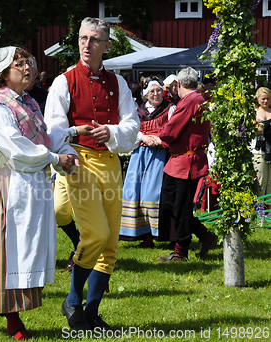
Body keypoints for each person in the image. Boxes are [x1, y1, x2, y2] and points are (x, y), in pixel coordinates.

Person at [0, 46, 79, 341]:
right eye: (19, 64)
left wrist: (72, 137)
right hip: (8, 181)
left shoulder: (28, 101)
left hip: (31, 180)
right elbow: (17, 147)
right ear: (3, 73)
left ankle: (15, 309)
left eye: (28, 62)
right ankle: (11, 318)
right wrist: (54, 160)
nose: (27, 67)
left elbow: (43, 136)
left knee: (28, 244)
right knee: (7, 245)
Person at [44, 17, 139, 331]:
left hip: (110, 161)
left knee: (110, 242)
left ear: (106, 45)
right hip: (78, 161)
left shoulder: (118, 83)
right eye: (84, 38)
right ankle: (72, 300)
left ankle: (93, 312)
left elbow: (132, 127)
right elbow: (53, 131)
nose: (87, 45)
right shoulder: (64, 81)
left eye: (95, 39)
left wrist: (110, 132)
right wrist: (69, 151)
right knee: (95, 235)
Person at [157, 67, 217, 262]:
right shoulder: (196, 100)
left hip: (186, 162)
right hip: (179, 161)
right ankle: (205, 235)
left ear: (179, 84)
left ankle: (181, 251)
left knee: (180, 208)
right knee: (169, 205)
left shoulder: (190, 101)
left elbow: (168, 132)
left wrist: (161, 131)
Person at [119, 76, 176, 247]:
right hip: (140, 155)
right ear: (145, 94)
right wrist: (143, 136)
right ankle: (145, 237)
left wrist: (159, 139)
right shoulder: (138, 111)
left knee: (153, 195)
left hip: (160, 155)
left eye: (158, 90)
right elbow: (130, 131)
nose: (156, 93)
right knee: (133, 193)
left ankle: (164, 234)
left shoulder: (170, 109)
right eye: (152, 91)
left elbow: (173, 129)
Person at [252, 87, 271, 197]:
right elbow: (253, 129)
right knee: (261, 180)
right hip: (258, 151)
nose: (265, 101)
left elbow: (259, 129)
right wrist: (267, 128)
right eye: (263, 99)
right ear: (258, 99)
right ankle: (260, 209)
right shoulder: (254, 113)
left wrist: (262, 128)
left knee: (270, 182)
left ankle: (270, 208)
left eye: (267, 98)